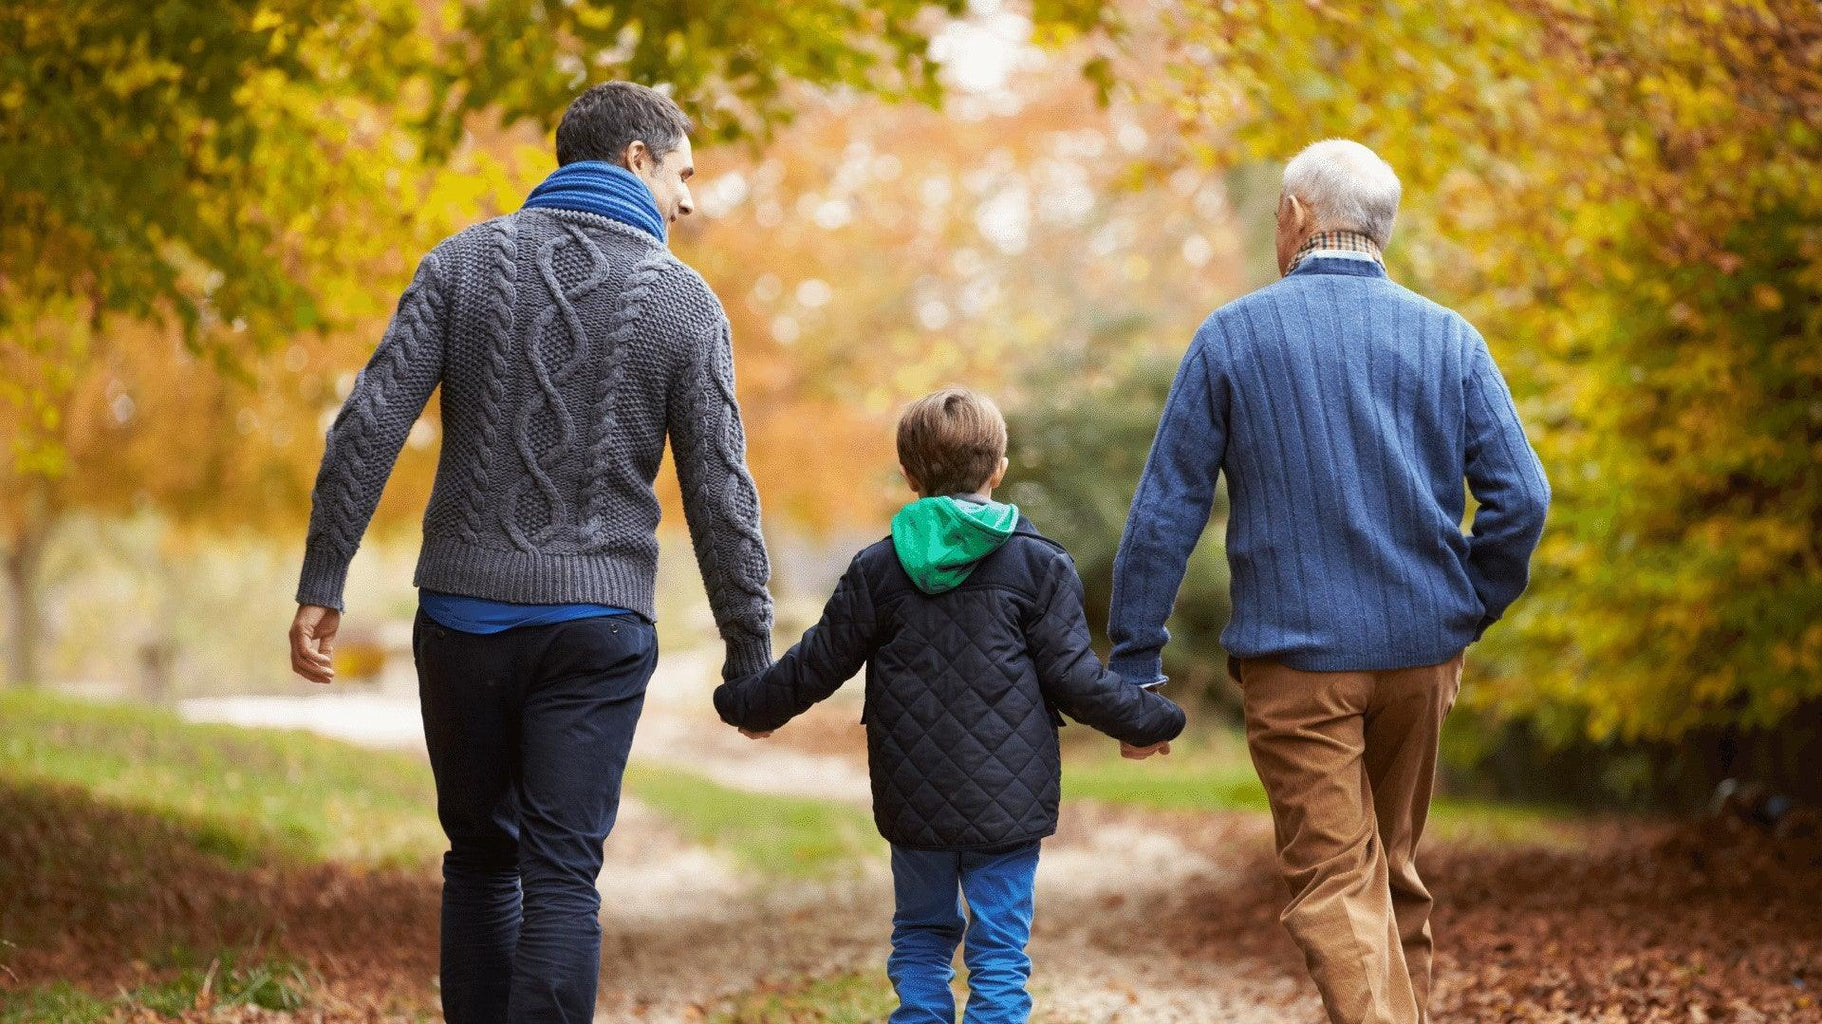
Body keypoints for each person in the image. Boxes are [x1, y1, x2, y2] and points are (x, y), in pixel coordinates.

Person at [285, 82, 774, 1024]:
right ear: (636, 158)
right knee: (561, 877)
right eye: (684, 174)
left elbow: (370, 421)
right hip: (596, 627)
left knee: (479, 857)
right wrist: (749, 656)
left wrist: (324, 578)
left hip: (463, 619)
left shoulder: (463, 263)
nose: (690, 201)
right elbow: (722, 491)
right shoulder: (682, 301)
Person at [1106, 139, 1551, 1024]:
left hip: (1297, 660)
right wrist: (1466, 607)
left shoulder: (1233, 337)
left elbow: (1165, 514)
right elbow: (1523, 498)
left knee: (1335, 885)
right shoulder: (1449, 338)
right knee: (1389, 873)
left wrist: (1132, 666)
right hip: (1423, 654)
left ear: (1298, 217)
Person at [714, 387, 1186, 1024]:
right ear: (999, 469)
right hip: (1008, 802)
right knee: (998, 956)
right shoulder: (1037, 567)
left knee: (921, 937)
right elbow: (1076, 678)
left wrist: (752, 705)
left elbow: (816, 664)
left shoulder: (878, 569)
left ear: (909, 475)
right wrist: (1155, 719)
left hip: (916, 800)